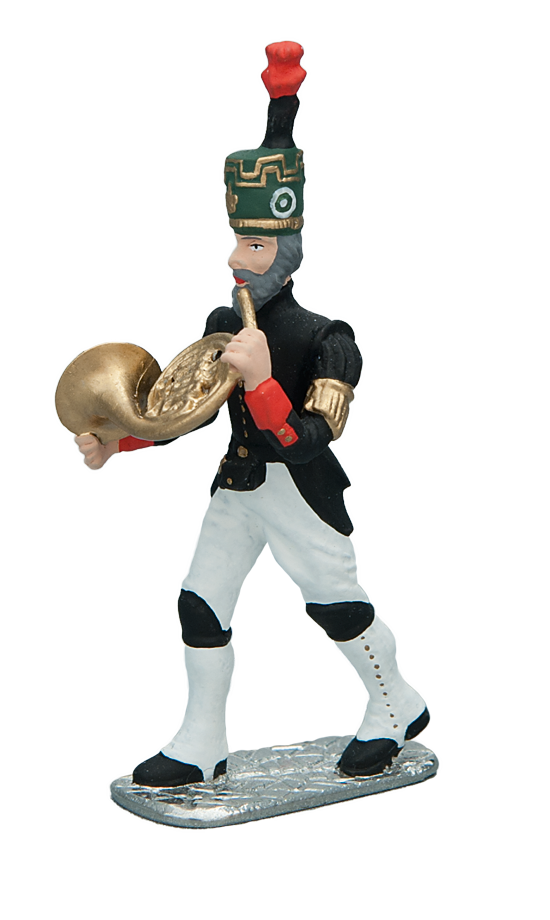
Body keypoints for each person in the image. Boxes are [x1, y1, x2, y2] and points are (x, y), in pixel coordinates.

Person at [75, 42, 429, 786]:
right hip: (237, 489)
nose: (239, 258)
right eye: (239, 241)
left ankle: (396, 704)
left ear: (288, 252)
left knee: (338, 610)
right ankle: (202, 742)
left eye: (257, 244)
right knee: (200, 606)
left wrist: (265, 383)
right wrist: (119, 441)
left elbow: (311, 439)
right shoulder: (222, 323)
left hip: (300, 493)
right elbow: (189, 410)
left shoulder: (328, 338)